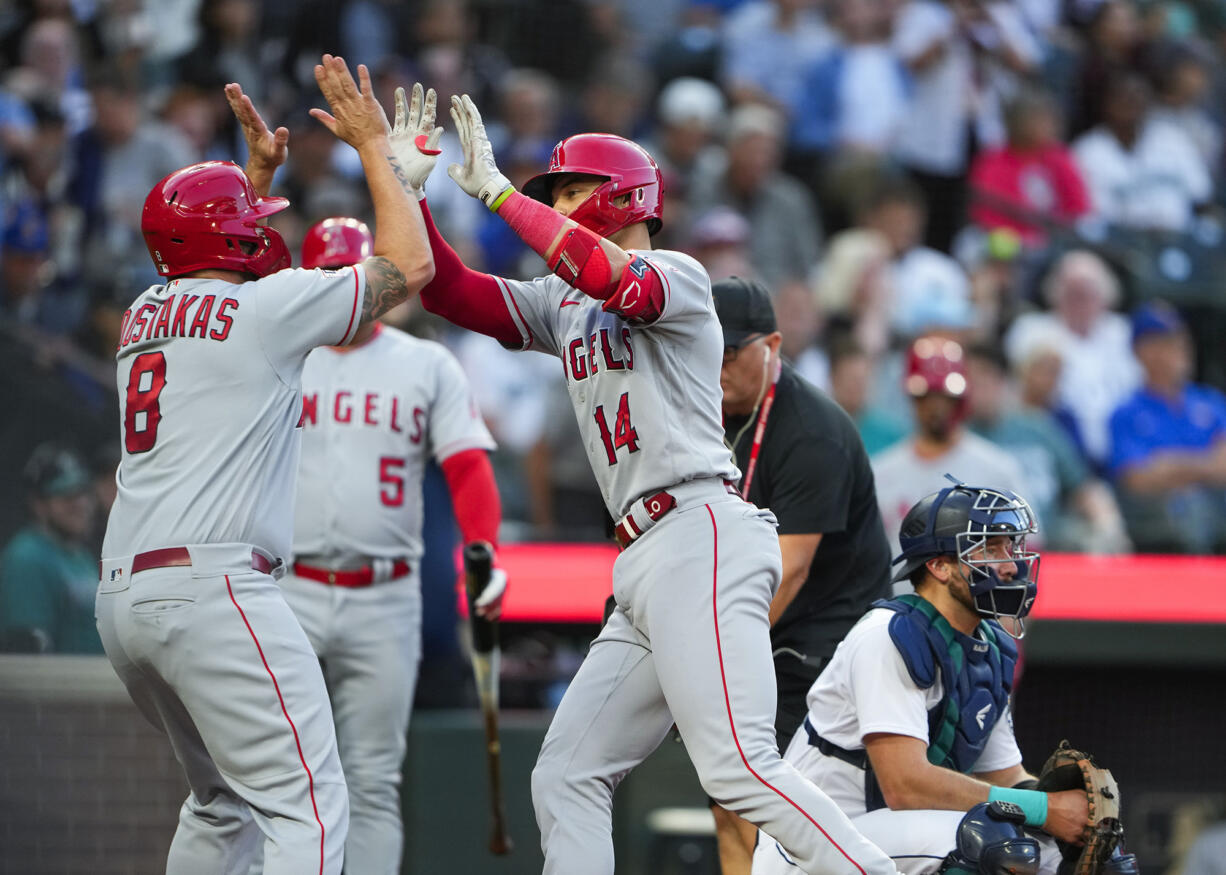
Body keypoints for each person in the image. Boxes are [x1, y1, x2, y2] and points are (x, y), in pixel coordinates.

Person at [416, 95, 902, 875]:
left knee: (740, 769)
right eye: (555, 197)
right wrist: (410, 197)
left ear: (620, 196)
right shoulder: (564, 299)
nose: (559, 207)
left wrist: (504, 196)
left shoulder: (679, 278)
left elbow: (612, 277)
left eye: (572, 191)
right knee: (567, 769)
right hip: (644, 553)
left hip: (698, 527)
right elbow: (450, 291)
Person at [93, 57, 437, 874]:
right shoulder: (268, 312)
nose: (266, 225)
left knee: (220, 805)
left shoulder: (143, 313)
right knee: (311, 808)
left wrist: (247, 182)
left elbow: (205, 270)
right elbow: (409, 267)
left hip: (125, 599)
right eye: (252, 216)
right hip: (214, 590)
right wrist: (377, 156)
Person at [751, 481, 1138, 874]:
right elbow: (905, 785)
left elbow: (1005, 775)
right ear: (938, 565)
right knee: (994, 844)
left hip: (890, 835)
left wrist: (1068, 812)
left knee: (1083, 854)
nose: (1009, 564)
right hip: (811, 841)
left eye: (1011, 546)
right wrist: (1043, 809)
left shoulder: (990, 648)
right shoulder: (888, 635)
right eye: (989, 548)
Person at [281, 214, 503, 874]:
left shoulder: (425, 362)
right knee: (281, 777)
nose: (342, 287)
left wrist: (485, 550)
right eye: (328, 275)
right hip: (286, 589)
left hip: (385, 596)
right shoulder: (282, 352)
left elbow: (468, 466)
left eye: (352, 273)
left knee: (373, 781)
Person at [710, 276, 894, 874]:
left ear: (774, 345)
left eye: (734, 350)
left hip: (826, 646)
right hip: (762, 635)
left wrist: (716, 655)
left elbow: (788, 570)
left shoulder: (811, 429)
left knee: (781, 815)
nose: (720, 363)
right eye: (709, 346)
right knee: (728, 800)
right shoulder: (699, 413)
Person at [871, 336, 1027, 564]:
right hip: (898, 596)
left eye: (945, 397)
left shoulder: (997, 471)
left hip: (975, 598)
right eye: (926, 397)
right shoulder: (880, 473)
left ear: (961, 399)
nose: (936, 407)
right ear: (912, 399)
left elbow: (1024, 549)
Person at [1108, 300, 1226, 553]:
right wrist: (1206, 464)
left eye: (1180, 338)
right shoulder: (1126, 412)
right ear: (1141, 350)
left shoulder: (1210, 401)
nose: (1178, 347)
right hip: (1160, 529)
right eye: (1165, 341)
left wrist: (1169, 464)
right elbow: (1137, 479)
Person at [0, 443, 101, 653]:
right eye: (67, 496)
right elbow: (27, 656)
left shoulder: (82, 556)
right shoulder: (26, 558)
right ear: (39, 504)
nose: (81, 504)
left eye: (83, 493)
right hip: (61, 684)